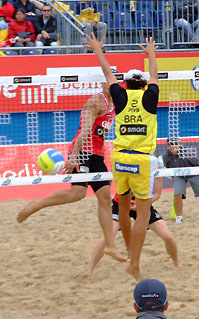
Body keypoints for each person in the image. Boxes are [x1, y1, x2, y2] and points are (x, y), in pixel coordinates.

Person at [17, 82, 126, 263]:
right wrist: (74, 155)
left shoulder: (116, 103)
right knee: (77, 194)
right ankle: (37, 205)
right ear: (102, 84)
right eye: (107, 83)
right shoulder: (95, 102)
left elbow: (102, 133)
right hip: (82, 151)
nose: (111, 86)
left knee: (105, 198)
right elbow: (84, 130)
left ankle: (110, 245)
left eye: (114, 83)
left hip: (98, 155)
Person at [85, 33, 158, 281]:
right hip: (141, 159)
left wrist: (98, 49)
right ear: (144, 85)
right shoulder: (150, 97)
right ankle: (134, 262)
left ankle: (126, 251)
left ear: (125, 84)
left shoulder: (120, 96)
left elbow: (108, 74)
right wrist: (152, 54)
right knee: (144, 214)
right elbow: (156, 76)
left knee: (124, 209)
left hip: (119, 158)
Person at [88, 175, 179, 274]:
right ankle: (90, 270)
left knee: (167, 236)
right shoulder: (125, 163)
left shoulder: (154, 167)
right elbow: (108, 183)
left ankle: (177, 263)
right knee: (107, 237)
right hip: (121, 205)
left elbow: (157, 194)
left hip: (143, 204)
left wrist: (141, 203)